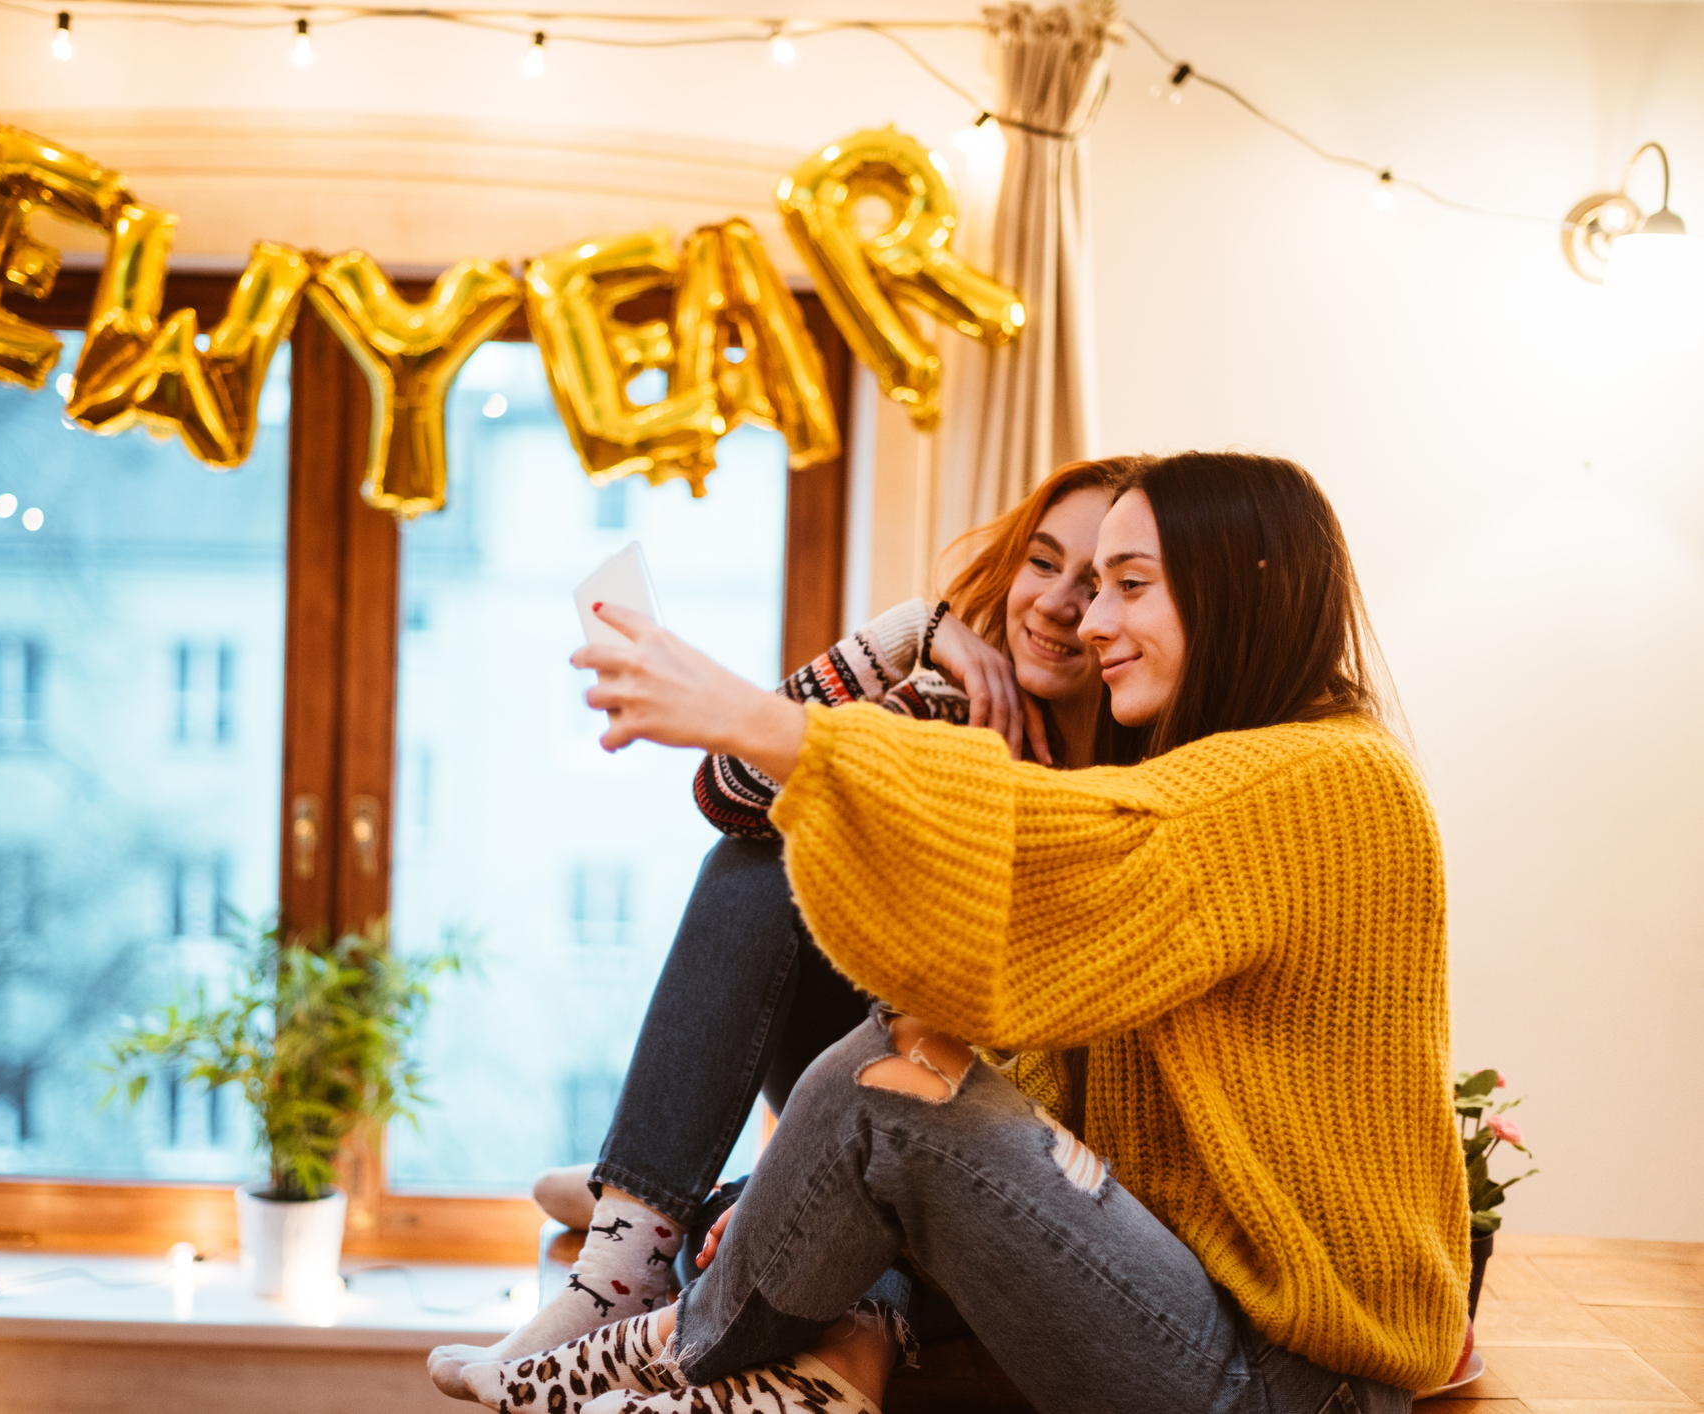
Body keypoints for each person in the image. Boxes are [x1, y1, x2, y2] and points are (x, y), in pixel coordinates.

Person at [463, 451, 1468, 1414]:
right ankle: (679, 1294)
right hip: (1221, 1329)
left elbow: (1059, 847)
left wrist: (753, 716)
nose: (1091, 619)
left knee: (888, 1099)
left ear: (1241, 586)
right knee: (883, 1059)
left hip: (1292, 1385)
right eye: (1073, 576)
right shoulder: (1238, 768)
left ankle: (665, 1336)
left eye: (1128, 585)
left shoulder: (1323, 776)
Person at [428, 458, 1142, 1398]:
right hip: (883, 1077)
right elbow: (727, 793)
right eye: (1041, 563)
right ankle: (625, 1252)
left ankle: (642, 1201)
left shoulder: (1146, 784)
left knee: (809, 1178)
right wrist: (906, 638)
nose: (1054, 603)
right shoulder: (953, 708)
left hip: (997, 1135)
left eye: (1096, 584)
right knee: (760, 857)